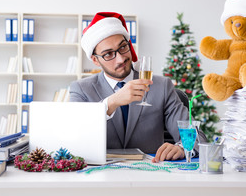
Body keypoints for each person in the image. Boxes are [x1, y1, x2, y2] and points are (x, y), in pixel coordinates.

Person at [69, 12, 206, 162]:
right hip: (101, 175)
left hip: (150, 174)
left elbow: (198, 138)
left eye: (123, 47)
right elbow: (75, 136)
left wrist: (181, 148)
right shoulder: (81, 89)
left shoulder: (162, 86)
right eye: (108, 54)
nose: (121, 58)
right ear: (95, 60)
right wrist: (111, 102)